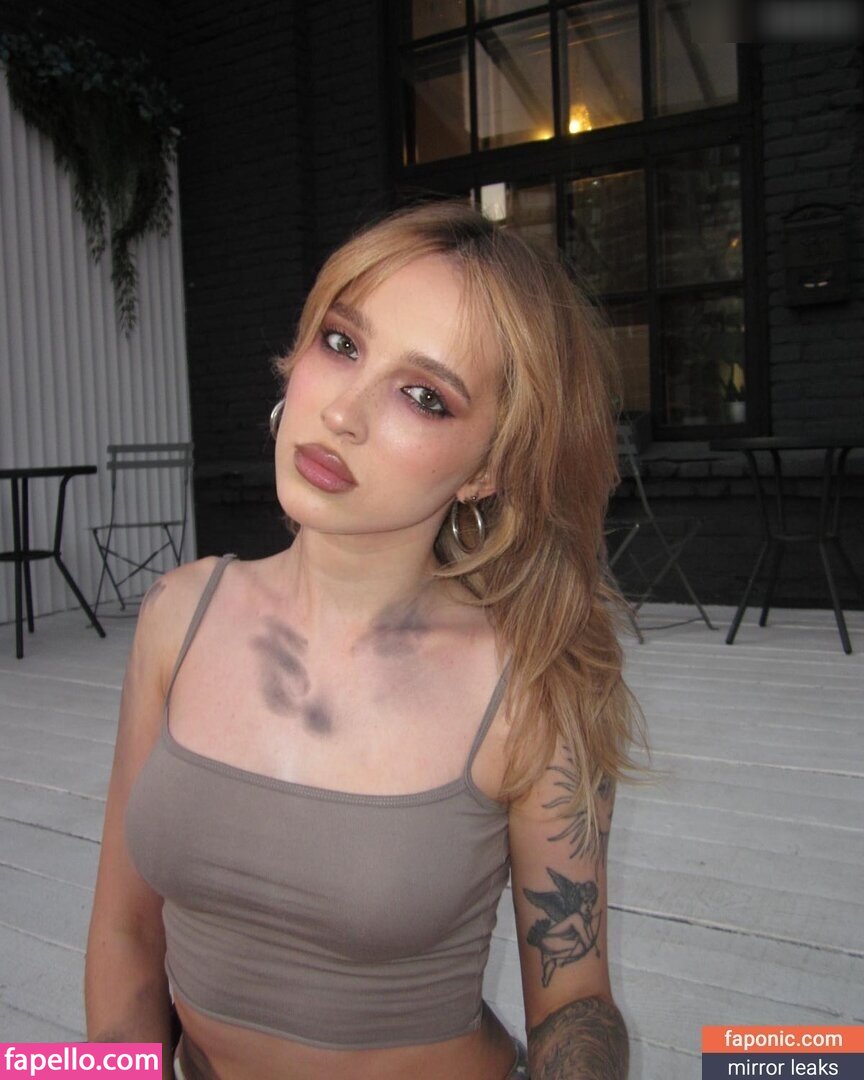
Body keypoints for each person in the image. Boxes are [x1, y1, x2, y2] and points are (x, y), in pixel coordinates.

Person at [85, 201, 642, 1080]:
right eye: (342, 343)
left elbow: (575, 1005)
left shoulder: (529, 686)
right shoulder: (176, 615)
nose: (342, 412)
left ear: (488, 468)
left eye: (424, 396)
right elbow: (124, 928)